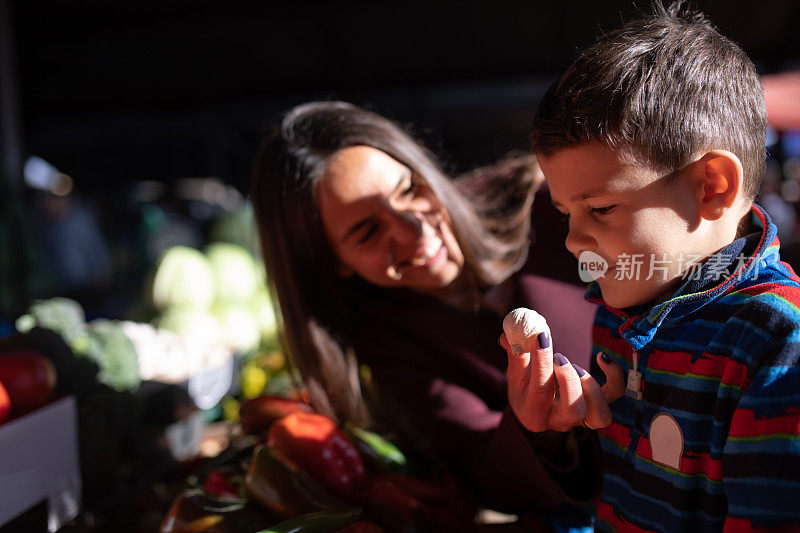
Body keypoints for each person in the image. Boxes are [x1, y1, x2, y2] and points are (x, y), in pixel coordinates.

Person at [250, 100, 624, 529]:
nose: (414, 231)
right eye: (368, 232)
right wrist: (535, 429)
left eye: (409, 189)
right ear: (334, 262)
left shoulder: (547, 201)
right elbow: (485, 472)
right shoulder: (385, 342)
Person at [527, 1, 800, 531]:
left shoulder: (775, 344)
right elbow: (607, 492)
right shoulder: (625, 306)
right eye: (566, 213)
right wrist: (566, 435)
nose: (573, 239)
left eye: (600, 208)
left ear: (711, 187)